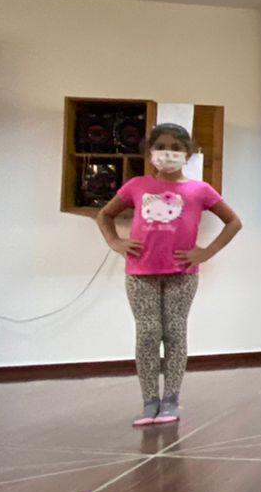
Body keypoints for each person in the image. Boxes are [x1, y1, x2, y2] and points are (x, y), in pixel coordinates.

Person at [96, 123, 242, 428]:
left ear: (187, 154)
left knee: (174, 333)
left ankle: (171, 400)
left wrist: (206, 252)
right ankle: (150, 401)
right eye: (161, 146)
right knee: (148, 333)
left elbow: (233, 222)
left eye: (176, 148)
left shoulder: (200, 190)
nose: (168, 153)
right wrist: (115, 242)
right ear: (150, 153)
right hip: (140, 273)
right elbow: (105, 214)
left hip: (182, 274)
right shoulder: (136, 186)